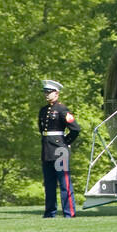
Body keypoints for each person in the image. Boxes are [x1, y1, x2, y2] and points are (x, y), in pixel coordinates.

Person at [38, 79, 81, 217]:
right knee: (49, 184)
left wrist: (65, 142)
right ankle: (50, 212)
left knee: (64, 183)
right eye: (45, 92)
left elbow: (75, 129)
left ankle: (69, 213)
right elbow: (42, 129)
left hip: (59, 149)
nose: (46, 94)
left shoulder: (62, 109)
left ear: (56, 93)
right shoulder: (43, 110)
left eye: (48, 92)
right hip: (47, 149)